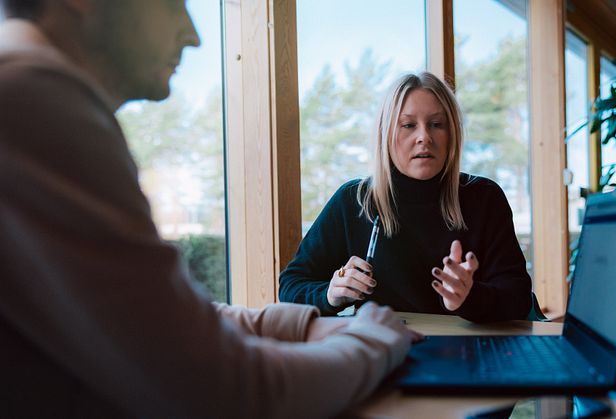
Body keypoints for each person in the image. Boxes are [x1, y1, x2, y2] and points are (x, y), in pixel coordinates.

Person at [0, 1, 419, 417]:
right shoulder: (34, 98)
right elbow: (226, 390)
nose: (194, 35)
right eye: (173, 4)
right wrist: (373, 340)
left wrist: (306, 327)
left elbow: (156, 319)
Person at [279, 72, 533, 323]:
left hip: (468, 353)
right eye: (408, 125)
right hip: (382, 350)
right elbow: (291, 286)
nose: (424, 137)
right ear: (386, 135)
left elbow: (518, 299)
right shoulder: (354, 200)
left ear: (452, 133)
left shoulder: (484, 198)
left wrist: (469, 297)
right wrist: (330, 294)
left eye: (436, 124)